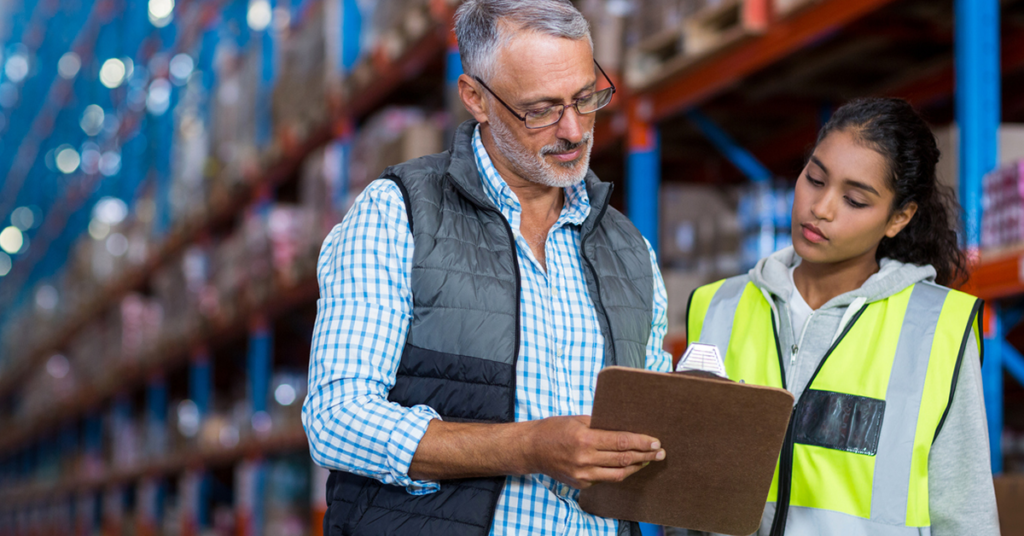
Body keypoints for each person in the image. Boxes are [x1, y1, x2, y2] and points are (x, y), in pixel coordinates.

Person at [302, 1, 673, 535]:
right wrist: (528, 447)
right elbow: (336, 420)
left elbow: (647, 427)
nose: (573, 129)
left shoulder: (630, 250)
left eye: (587, 97)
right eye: (541, 108)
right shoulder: (398, 213)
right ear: (475, 97)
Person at [684, 98, 1000, 536]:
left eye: (854, 200)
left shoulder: (936, 327)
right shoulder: (718, 306)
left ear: (899, 218)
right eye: (814, 179)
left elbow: (964, 511)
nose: (822, 207)